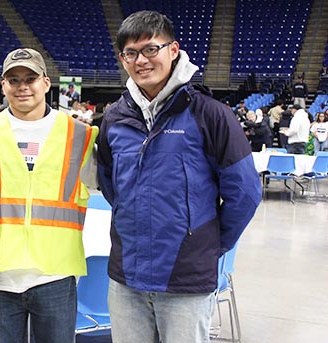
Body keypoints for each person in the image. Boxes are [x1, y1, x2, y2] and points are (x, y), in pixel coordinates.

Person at [97, 11, 261, 343]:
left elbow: (244, 193)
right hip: (126, 277)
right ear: (122, 60)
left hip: (185, 282)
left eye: (150, 49)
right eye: (131, 53)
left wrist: (208, 241)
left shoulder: (210, 114)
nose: (141, 60)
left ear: (173, 50)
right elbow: (111, 186)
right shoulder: (114, 118)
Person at [0, 47, 98, 343]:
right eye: (13, 80)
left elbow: (109, 185)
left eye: (30, 78)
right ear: (3, 86)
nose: (22, 86)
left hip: (55, 277)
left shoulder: (78, 134)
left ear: (46, 83)